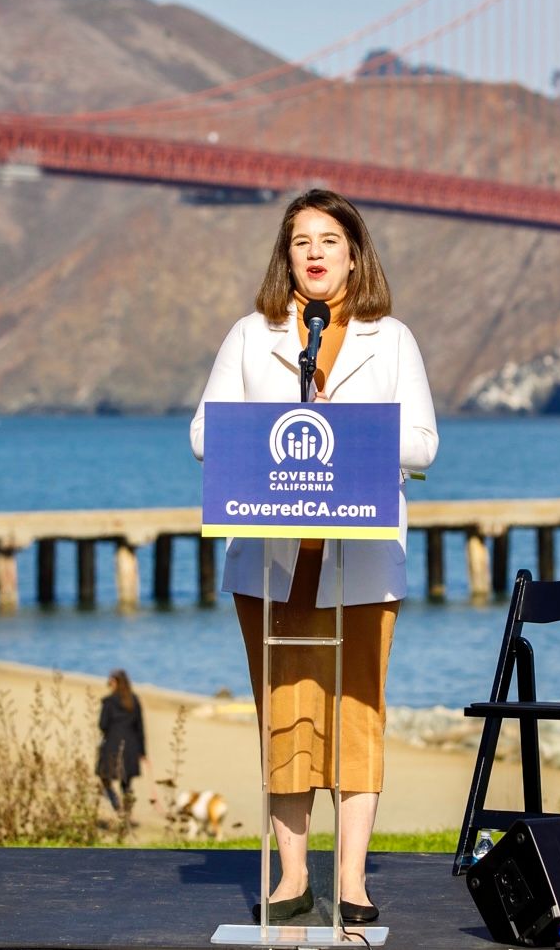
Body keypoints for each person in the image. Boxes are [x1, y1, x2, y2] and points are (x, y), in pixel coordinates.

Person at [189, 189, 438, 925]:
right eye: (302, 241)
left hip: (359, 557)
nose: (317, 252)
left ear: (355, 253)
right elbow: (205, 434)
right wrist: (285, 422)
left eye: (331, 239)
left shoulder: (390, 338)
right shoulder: (248, 334)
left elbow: (422, 444)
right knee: (286, 713)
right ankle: (292, 875)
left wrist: (348, 425)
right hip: (269, 556)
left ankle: (353, 879)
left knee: (357, 713)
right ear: (286, 254)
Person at [96, 669, 147, 818]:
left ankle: (117, 806)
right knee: (126, 784)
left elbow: (102, 725)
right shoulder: (134, 701)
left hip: (112, 746)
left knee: (105, 778)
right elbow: (140, 728)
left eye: (110, 682)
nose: (108, 685)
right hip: (131, 747)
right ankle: (127, 812)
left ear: (116, 683)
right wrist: (142, 752)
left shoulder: (109, 702)